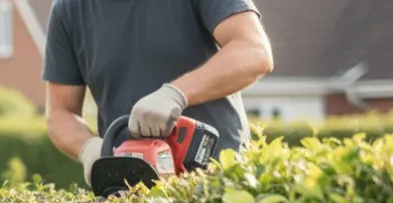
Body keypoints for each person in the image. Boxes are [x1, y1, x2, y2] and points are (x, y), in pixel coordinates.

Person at [42, 0, 275, 185]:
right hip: (130, 194)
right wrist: (87, 148)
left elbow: (254, 51)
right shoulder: (69, 9)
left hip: (218, 182)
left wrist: (176, 94)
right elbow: (60, 112)